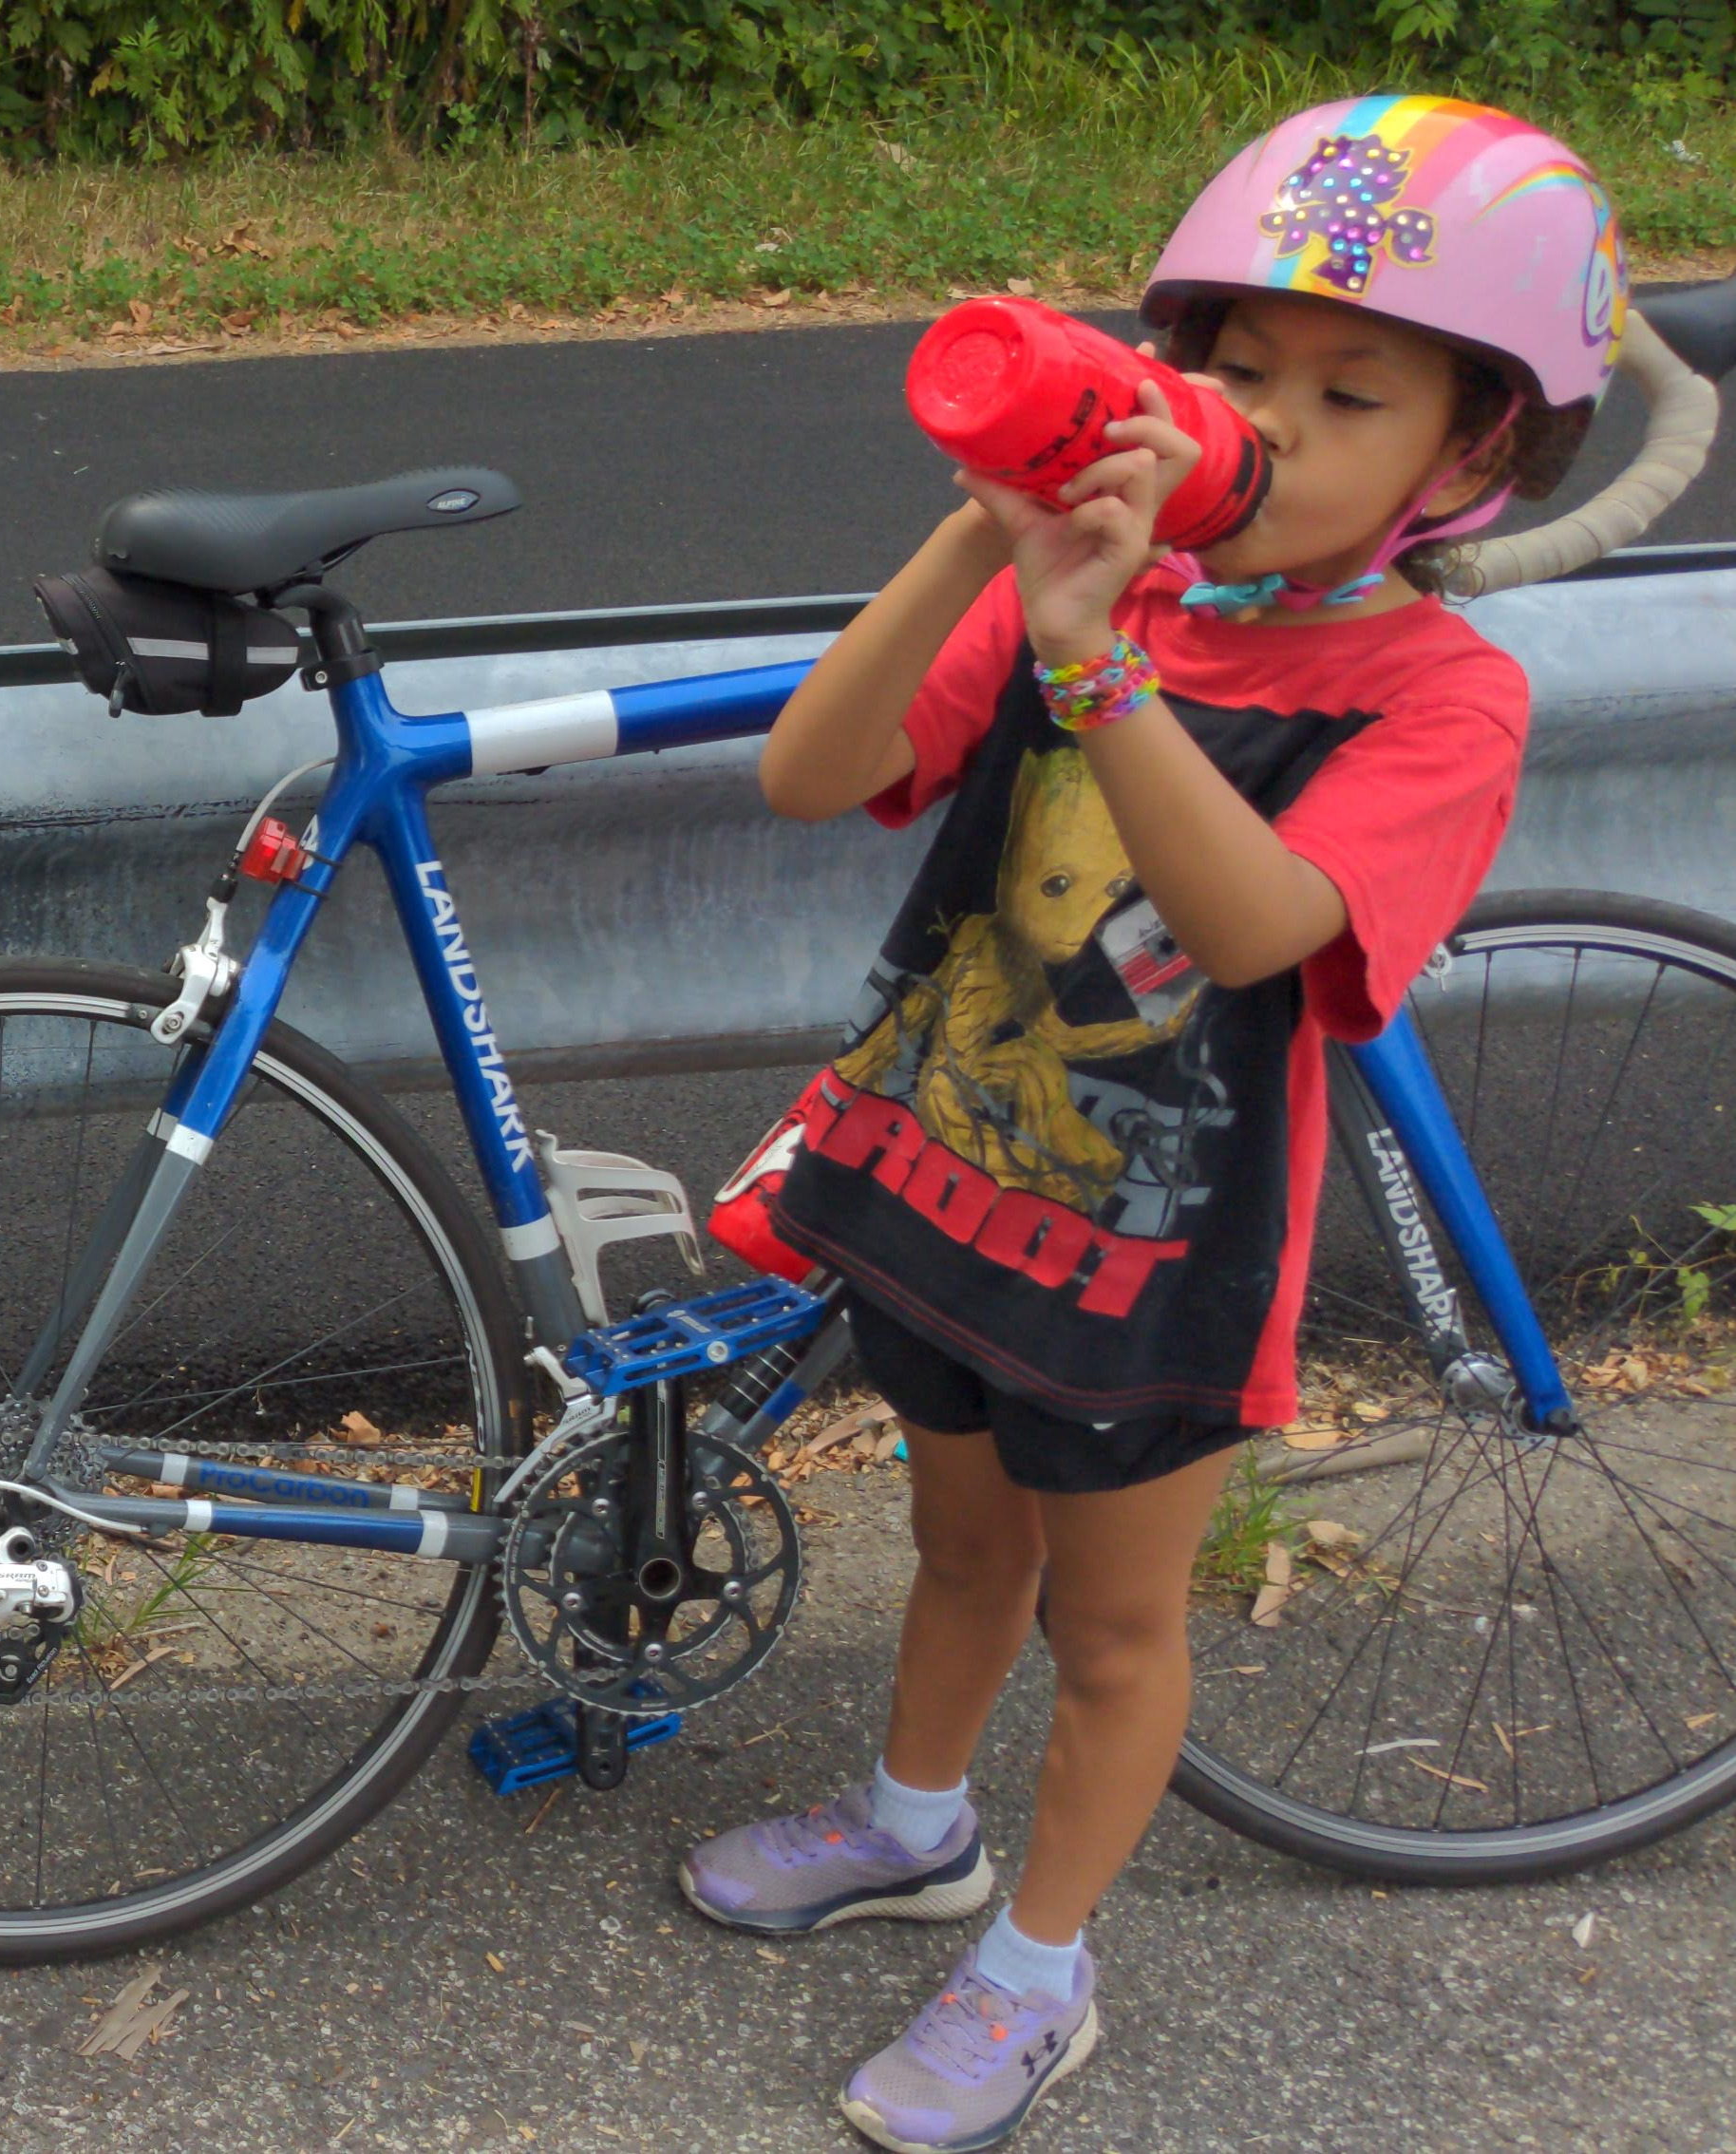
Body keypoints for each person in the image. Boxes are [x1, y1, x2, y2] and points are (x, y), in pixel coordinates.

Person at [678, 97, 1625, 2154]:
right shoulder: (1082, 586)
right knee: (957, 1543)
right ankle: (914, 1824)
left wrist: (1100, 667)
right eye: (1237, 366)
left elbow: (1259, 922)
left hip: (1154, 1253)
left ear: (1474, 450)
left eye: (1348, 393)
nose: (1265, 421)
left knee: (1108, 1627)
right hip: (946, 1166)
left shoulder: (1437, 694)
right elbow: (807, 776)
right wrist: (981, 533)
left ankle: (1038, 1972)